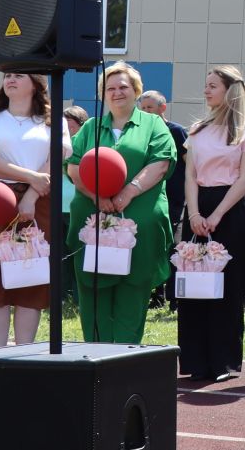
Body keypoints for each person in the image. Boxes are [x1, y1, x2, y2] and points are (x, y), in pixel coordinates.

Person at [67, 62, 176, 344]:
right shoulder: (90, 127)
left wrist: (128, 192)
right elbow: (75, 168)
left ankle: (124, 358)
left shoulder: (153, 124)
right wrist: (98, 198)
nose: (117, 93)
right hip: (94, 223)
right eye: (110, 88)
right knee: (94, 290)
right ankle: (96, 356)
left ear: (136, 91)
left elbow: (161, 163)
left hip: (140, 224)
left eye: (123, 87)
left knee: (133, 288)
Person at [0, 74, 65, 347]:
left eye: (19, 76)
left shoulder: (55, 120)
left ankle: (24, 352)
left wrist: (31, 195)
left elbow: (55, 161)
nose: (11, 80)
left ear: (36, 84)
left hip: (40, 200)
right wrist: (32, 177)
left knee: (30, 276)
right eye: (8, 75)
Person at [179, 66, 245, 383]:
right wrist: (195, 215)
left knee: (229, 287)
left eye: (212, 85)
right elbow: (189, 175)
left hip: (231, 214)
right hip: (198, 211)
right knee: (196, 286)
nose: (206, 90)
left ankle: (224, 361)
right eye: (206, 85)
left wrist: (216, 215)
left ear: (230, 90)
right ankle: (196, 360)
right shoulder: (197, 130)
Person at [137, 89, 187, 307]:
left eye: (150, 107)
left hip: (174, 197)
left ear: (162, 108)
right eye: (143, 108)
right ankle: (154, 296)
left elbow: (190, 161)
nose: (146, 112)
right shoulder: (140, 132)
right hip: (149, 196)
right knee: (152, 244)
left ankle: (174, 297)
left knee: (173, 246)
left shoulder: (176, 131)